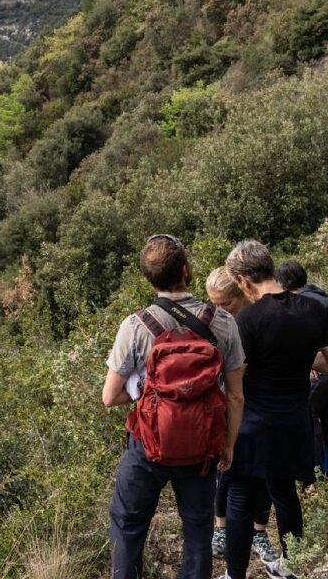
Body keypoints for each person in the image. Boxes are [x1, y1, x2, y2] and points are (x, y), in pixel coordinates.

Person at [102, 235, 246, 579]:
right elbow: (236, 395)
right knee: (197, 530)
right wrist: (227, 445)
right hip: (202, 445)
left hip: (148, 445)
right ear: (185, 270)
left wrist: (149, 394)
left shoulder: (135, 326)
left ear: (149, 278)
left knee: (128, 523)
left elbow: (110, 397)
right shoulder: (222, 321)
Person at [222, 241, 328, 579]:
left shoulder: (248, 318)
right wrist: (302, 358)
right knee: (285, 493)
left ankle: (235, 575)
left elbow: (237, 382)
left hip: (254, 422)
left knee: (240, 495)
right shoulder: (314, 308)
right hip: (294, 420)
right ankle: (291, 566)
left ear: (243, 280)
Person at [204, 268, 280, 564]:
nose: (220, 310)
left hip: (260, 403)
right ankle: (221, 528)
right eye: (214, 304)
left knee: (263, 471)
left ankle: (258, 531)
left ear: (243, 292)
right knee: (226, 469)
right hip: (231, 402)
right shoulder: (216, 322)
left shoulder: (260, 318)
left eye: (226, 304)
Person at [275, 260, 328, 480]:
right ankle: (327, 467)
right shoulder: (318, 295)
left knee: (308, 410)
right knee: (324, 410)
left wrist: (311, 363)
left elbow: (308, 338)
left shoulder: (304, 303)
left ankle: (318, 469)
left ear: (282, 283)